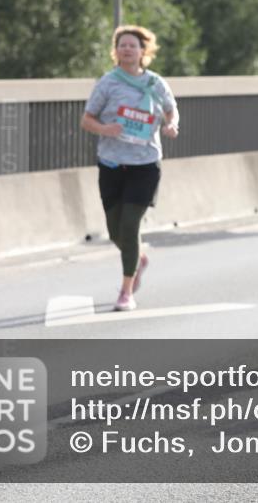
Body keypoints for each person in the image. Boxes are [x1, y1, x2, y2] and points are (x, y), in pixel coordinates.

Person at [81, 26, 179, 312]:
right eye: (122, 45)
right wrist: (105, 128)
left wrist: (171, 124)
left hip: (145, 163)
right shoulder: (108, 83)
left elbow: (171, 109)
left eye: (132, 46)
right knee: (115, 232)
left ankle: (126, 292)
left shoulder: (155, 83)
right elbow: (87, 119)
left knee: (130, 224)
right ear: (116, 50)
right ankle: (139, 258)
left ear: (142, 51)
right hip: (112, 163)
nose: (127, 50)